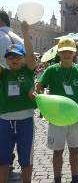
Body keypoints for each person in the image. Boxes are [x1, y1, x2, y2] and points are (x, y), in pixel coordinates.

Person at [36, 37, 78, 183]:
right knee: (57, 152)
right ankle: (57, 178)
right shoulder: (51, 70)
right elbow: (39, 87)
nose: (66, 54)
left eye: (69, 52)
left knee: (74, 150)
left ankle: (75, 178)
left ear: (74, 53)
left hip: (76, 117)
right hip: (56, 118)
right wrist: (39, 98)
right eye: (63, 51)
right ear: (59, 53)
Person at [0, 21, 36, 183]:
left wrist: (25, 33)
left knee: (26, 161)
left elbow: (30, 53)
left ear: (23, 59)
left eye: (17, 56)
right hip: (4, 122)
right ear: (6, 60)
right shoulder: (3, 73)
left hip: (25, 121)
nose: (14, 59)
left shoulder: (28, 71)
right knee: (3, 161)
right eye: (10, 57)